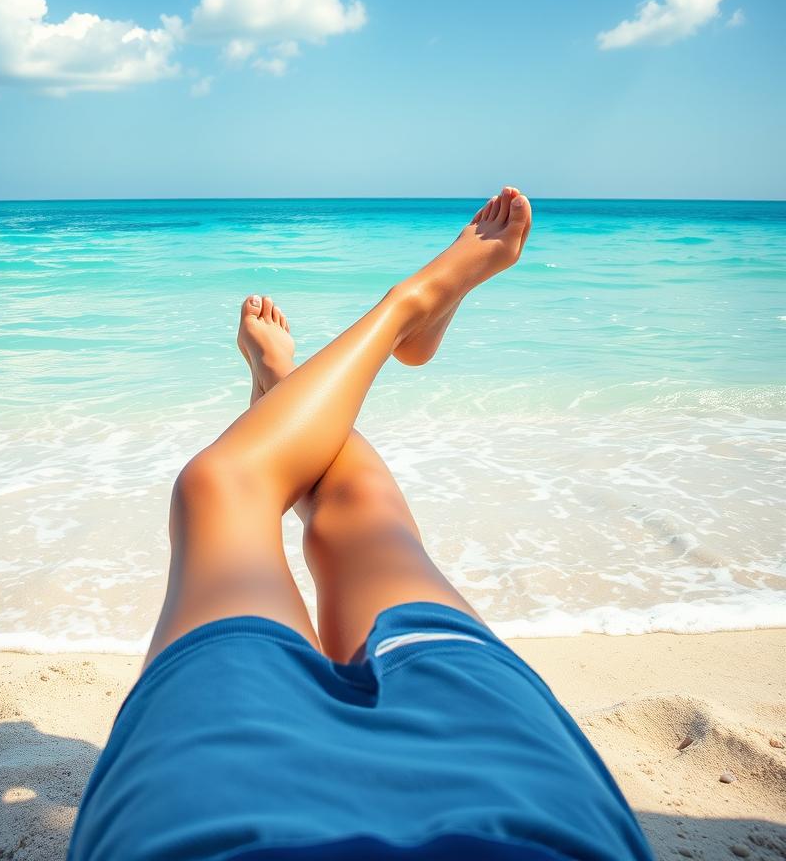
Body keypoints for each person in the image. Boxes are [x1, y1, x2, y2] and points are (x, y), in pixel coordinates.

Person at [69, 188, 654, 861]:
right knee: (346, 520)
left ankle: (338, 352)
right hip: (516, 811)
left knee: (232, 490)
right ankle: (388, 320)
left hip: (219, 816)